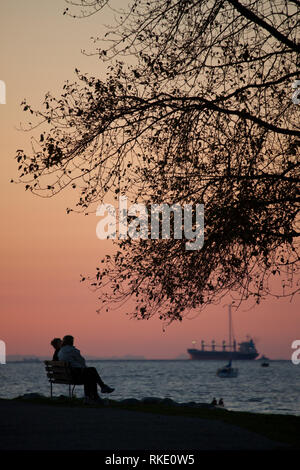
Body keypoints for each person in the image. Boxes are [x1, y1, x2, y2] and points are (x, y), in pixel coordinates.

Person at [58, 335, 114, 403]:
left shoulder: (60, 351)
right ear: (71, 341)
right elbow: (82, 362)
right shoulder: (72, 350)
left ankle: (92, 397)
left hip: (68, 376)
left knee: (90, 374)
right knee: (92, 371)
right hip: (75, 376)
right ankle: (98, 392)